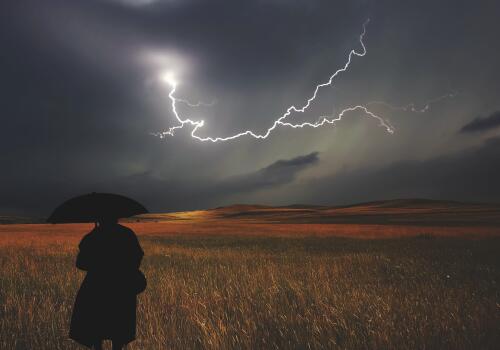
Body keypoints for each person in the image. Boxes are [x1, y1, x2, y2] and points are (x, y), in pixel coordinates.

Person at [69, 217, 147, 350]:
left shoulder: (93, 236)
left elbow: (81, 263)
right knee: (119, 331)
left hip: (96, 287)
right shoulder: (127, 234)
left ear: (99, 218)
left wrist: (92, 241)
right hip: (122, 287)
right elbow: (137, 257)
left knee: (96, 329)